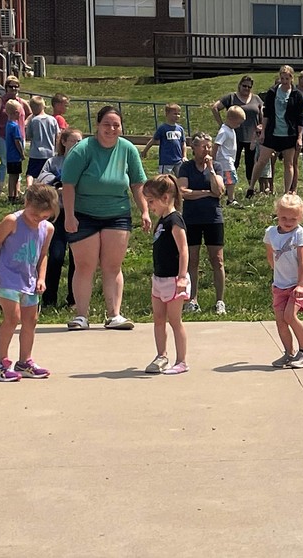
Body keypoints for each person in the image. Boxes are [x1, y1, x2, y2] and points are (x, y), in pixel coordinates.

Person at [61, 106, 149, 331]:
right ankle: (81, 315)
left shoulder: (128, 149)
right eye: (106, 124)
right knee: (85, 265)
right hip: (83, 215)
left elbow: (137, 183)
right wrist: (69, 216)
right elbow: (68, 184)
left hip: (117, 214)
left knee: (112, 265)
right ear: (98, 126)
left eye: (116, 125)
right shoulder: (83, 149)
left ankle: (114, 314)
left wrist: (145, 211)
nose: (111, 129)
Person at [0, 183, 58, 382]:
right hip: (7, 277)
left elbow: (43, 255)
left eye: (45, 216)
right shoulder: (12, 221)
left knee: (30, 321)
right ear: (26, 203)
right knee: (12, 318)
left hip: (29, 280)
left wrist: (41, 277)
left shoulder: (47, 228)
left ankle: (25, 361)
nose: (39, 220)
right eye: (35, 215)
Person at [142, 175, 190, 375]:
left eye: (151, 201)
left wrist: (181, 277)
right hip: (159, 278)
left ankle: (182, 361)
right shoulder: (161, 221)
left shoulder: (175, 219)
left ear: (166, 197)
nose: (149, 206)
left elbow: (183, 249)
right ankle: (161, 355)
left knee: (174, 320)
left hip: (173, 279)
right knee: (158, 319)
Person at [176, 132, 226, 315]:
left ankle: (220, 301)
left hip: (213, 218)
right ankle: (192, 299)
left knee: (218, 260)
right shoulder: (186, 167)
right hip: (192, 218)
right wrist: (206, 192)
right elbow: (183, 191)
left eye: (208, 146)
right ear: (194, 148)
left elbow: (219, 191)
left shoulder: (217, 166)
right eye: (203, 146)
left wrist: (211, 169)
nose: (206, 150)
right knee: (192, 260)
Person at [265, 194, 303, 369]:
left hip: (300, 283)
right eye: (284, 217)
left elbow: (302, 261)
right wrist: (276, 275)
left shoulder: (300, 234)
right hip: (280, 284)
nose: (288, 221)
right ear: (277, 214)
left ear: (300, 218)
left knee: (289, 315)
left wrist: (300, 285)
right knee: (280, 320)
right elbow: (270, 255)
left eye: (293, 219)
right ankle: (289, 353)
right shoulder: (270, 232)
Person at [36, 127, 83, 308]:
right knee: (55, 256)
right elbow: (42, 182)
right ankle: (49, 299)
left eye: (80, 141)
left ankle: (74, 299)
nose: (77, 145)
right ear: (64, 142)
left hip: (78, 213)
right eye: (73, 141)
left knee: (76, 258)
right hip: (57, 214)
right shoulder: (53, 162)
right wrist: (58, 185)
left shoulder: (84, 162)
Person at [248, 65, 303, 196]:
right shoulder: (273, 92)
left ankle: (286, 193)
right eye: (282, 78)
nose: (284, 81)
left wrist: (299, 137)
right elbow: (266, 114)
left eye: (287, 78)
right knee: (262, 160)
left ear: (291, 78)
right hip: (272, 132)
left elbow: (300, 118)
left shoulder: (297, 95)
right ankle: (251, 188)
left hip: (289, 134)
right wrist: (263, 132)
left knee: (288, 163)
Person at [213, 76, 263, 191]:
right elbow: (215, 107)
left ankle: (251, 188)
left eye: (249, 87)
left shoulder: (256, 99)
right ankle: (226, 187)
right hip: (234, 136)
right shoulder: (231, 97)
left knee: (251, 163)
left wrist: (261, 126)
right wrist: (221, 124)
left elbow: (262, 113)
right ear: (239, 85)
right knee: (232, 162)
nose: (246, 88)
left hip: (252, 136)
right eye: (244, 86)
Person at [0, 76, 31, 198]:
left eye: (16, 86)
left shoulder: (21, 102)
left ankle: (16, 190)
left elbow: (30, 114)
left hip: (19, 136)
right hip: (3, 136)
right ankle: (0, 189)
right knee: (2, 163)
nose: (13, 89)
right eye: (11, 86)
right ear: (6, 87)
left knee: (16, 163)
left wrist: (25, 124)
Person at [142, 103, 187, 175]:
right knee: (164, 180)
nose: (177, 116)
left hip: (178, 160)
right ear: (167, 114)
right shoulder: (163, 128)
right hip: (166, 161)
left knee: (181, 178)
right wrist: (145, 151)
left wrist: (184, 156)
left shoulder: (180, 129)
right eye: (175, 114)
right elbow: (153, 140)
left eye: (179, 114)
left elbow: (183, 143)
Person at [24, 96, 60, 188]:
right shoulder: (52, 119)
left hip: (36, 153)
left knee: (31, 174)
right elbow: (58, 135)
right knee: (47, 174)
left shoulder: (33, 120)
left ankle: (29, 188)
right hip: (50, 152)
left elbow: (28, 135)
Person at [214, 106, 245, 205]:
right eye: (238, 123)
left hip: (229, 159)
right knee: (231, 179)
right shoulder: (224, 130)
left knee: (229, 179)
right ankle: (230, 199)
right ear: (231, 119)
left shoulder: (230, 129)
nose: (239, 126)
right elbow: (216, 144)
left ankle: (227, 197)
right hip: (225, 160)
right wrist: (213, 158)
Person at [3, 99, 25, 203]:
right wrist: (22, 153)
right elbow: (17, 141)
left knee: (12, 176)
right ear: (16, 112)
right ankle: (14, 196)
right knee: (15, 176)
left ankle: (11, 195)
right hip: (15, 156)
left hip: (9, 155)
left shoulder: (8, 125)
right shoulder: (15, 126)